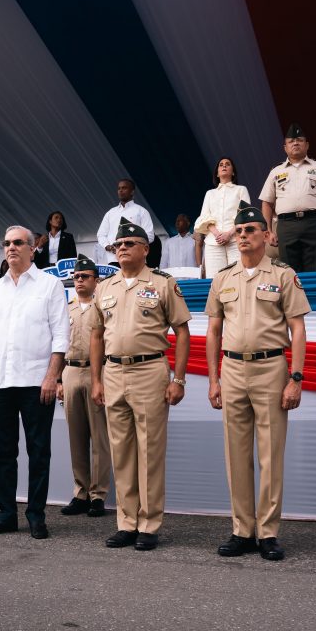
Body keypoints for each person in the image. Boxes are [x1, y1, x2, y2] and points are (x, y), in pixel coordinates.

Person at [205, 202, 310, 560]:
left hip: (271, 369)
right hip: (232, 370)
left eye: (251, 230)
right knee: (236, 454)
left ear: (266, 236)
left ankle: (267, 532)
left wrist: (295, 377)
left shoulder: (282, 274)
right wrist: (213, 379)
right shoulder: (223, 278)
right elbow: (214, 331)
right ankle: (242, 530)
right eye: (239, 231)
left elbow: (298, 328)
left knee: (270, 454)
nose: (244, 236)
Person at [90, 217, 191, 551]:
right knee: (121, 452)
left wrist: (178, 378)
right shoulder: (104, 287)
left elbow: (182, 331)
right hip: (114, 372)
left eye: (128, 244)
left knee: (149, 451)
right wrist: (96, 379)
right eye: (117, 245)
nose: (121, 249)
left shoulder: (163, 283)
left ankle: (149, 523)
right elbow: (96, 334)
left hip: (150, 371)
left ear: (145, 249)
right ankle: (126, 522)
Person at [0, 226, 69, 540]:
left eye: (18, 243)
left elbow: (61, 337)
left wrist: (52, 377)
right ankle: (6, 514)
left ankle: (36, 516)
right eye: (7, 243)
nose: (11, 248)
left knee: (39, 452)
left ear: (32, 248)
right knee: (3, 453)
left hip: (37, 383)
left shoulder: (50, 285)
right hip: (0, 382)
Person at [56, 254, 111, 518]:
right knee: (76, 437)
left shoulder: (104, 307)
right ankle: (80, 492)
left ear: (96, 280)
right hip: (70, 370)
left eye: (84, 276)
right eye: (76, 277)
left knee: (99, 437)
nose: (79, 281)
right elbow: (55, 345)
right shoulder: (67, 309)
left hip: (96, 372)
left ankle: (98, 494)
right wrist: (57, 379)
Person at [259, 123, 316, 273]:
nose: (295, 143)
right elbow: (266, 203)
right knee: (289, 272)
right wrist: (269, 231)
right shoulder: (275, 172)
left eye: (299, 140)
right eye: (291, 141)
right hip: (286, 225)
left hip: (314, 223)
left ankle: (313, 297)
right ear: (285, 147)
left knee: (315, 269)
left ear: (307, 145)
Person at [195, 157, 252, 274]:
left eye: (227, 164)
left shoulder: (241, 190)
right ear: (217, 173)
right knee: (215, 279)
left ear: (233, 171)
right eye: (221, 165)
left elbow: (245, 214)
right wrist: (217, 234)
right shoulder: (210, 193)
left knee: (238, 276)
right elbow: (204, 216)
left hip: (236, 240)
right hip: (213, 242)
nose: (224, 166)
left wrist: (229, 234)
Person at [95, 179, 155, 265]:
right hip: (114, 259)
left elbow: (149, 235)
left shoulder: (141, 211)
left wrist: (133, 245)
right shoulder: (110, 213)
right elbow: (101, 235)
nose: (121, 190)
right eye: (119, 188)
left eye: (124, 188)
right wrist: (108, 246)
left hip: (135, 259)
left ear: (132, 192)